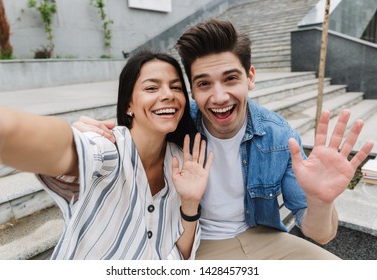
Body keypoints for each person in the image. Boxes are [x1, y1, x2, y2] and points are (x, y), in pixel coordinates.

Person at [72, 19, 374, 259]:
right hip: (196, 245)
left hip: (265, 238)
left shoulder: (279, 136)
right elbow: (130, 129)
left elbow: (320, 234)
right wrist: (84, 134)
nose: (219, 97)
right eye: (204, 84)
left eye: (231, 79)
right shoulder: (176, 120)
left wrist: (321, 202)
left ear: (250, 77)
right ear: (192, 89)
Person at [0, 50, 213, 260]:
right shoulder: (108, 146)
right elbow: (61, 149)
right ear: (128, 105)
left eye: (176, 87)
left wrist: (191, 203)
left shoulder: (184, 162)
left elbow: (179, 255)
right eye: (152, 88)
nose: (168, 95)